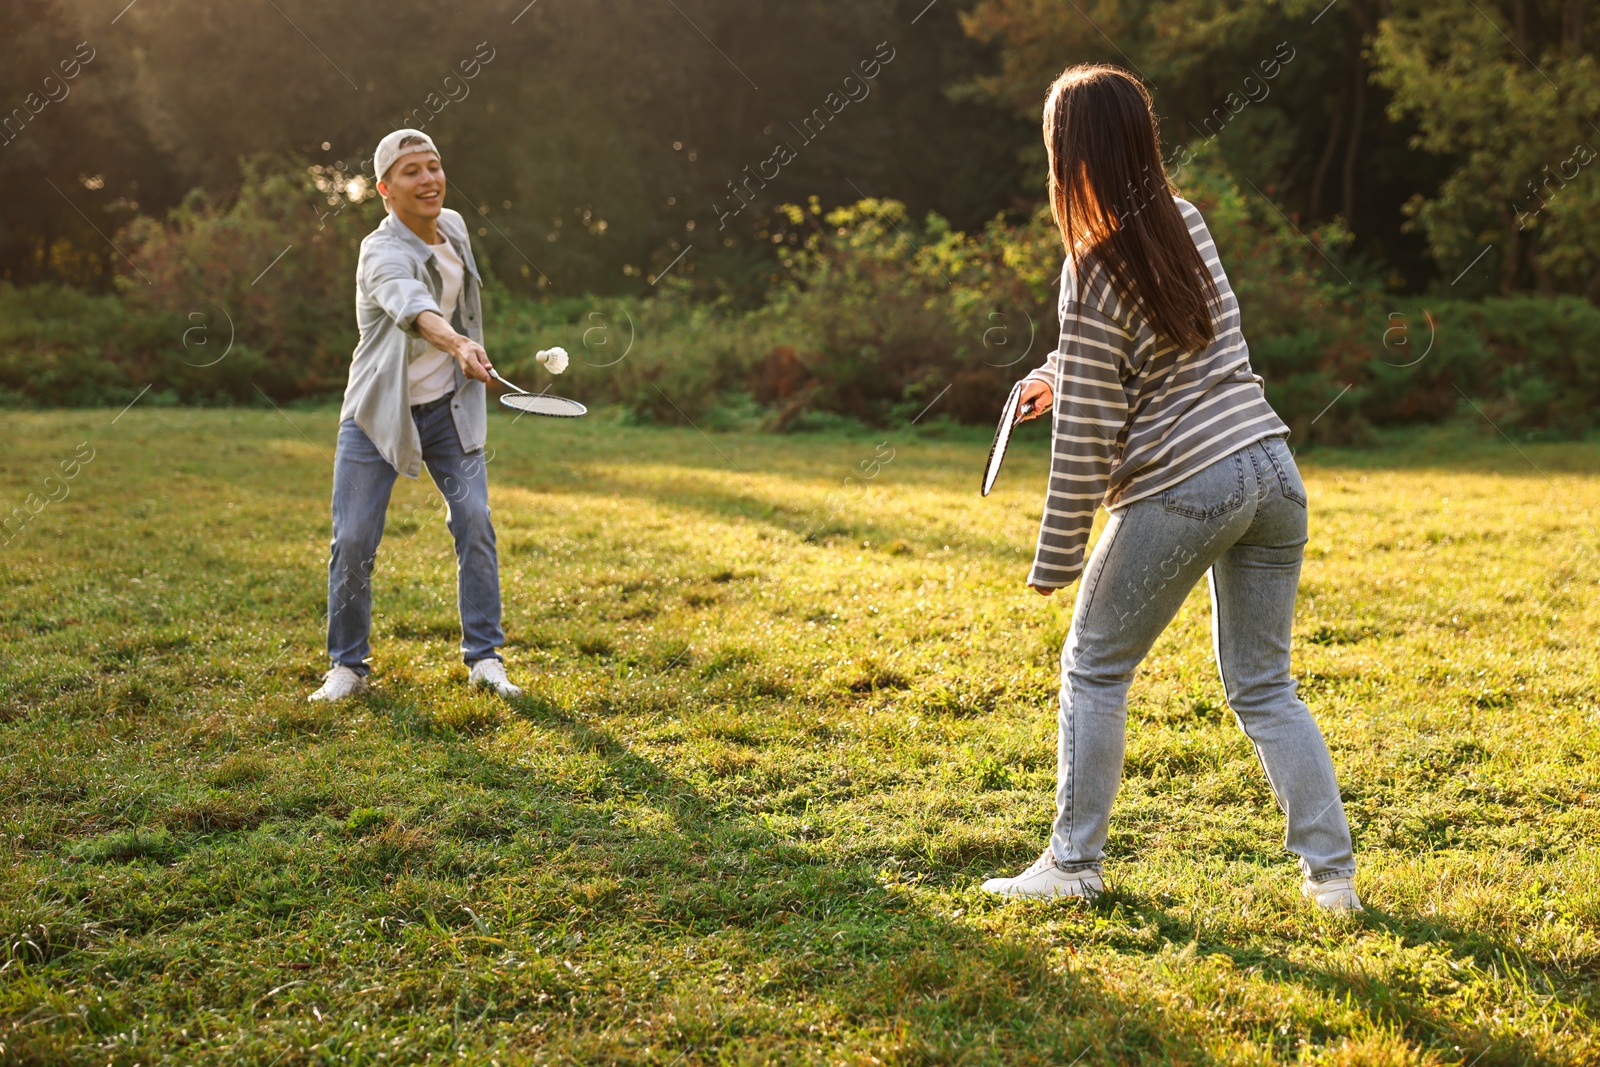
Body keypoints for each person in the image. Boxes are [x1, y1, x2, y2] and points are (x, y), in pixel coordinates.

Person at [980, 65, 1361, 911]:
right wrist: (1055, 371)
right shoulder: (1184, 222)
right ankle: (1333, 880)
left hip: (1189, 482)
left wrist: (1056, 555)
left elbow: (1086, 438)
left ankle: (1073, 867)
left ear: (1067, 154)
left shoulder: (1090, 264)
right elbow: (1172, 340)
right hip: (1272, 468)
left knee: (1093, 664)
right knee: (1266, 685)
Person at [309, 128, 522, 702]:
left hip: (449, 410)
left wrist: (463, 354)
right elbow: (411, 303)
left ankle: (485, 659)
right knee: (353, 539)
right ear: (383, 189)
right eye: (411, 172)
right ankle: (347, 667)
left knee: (475, 522)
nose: (428, 179)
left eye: (433, 166)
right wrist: (455, 344)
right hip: (378, 415)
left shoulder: (453, 226)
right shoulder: (380, 252)